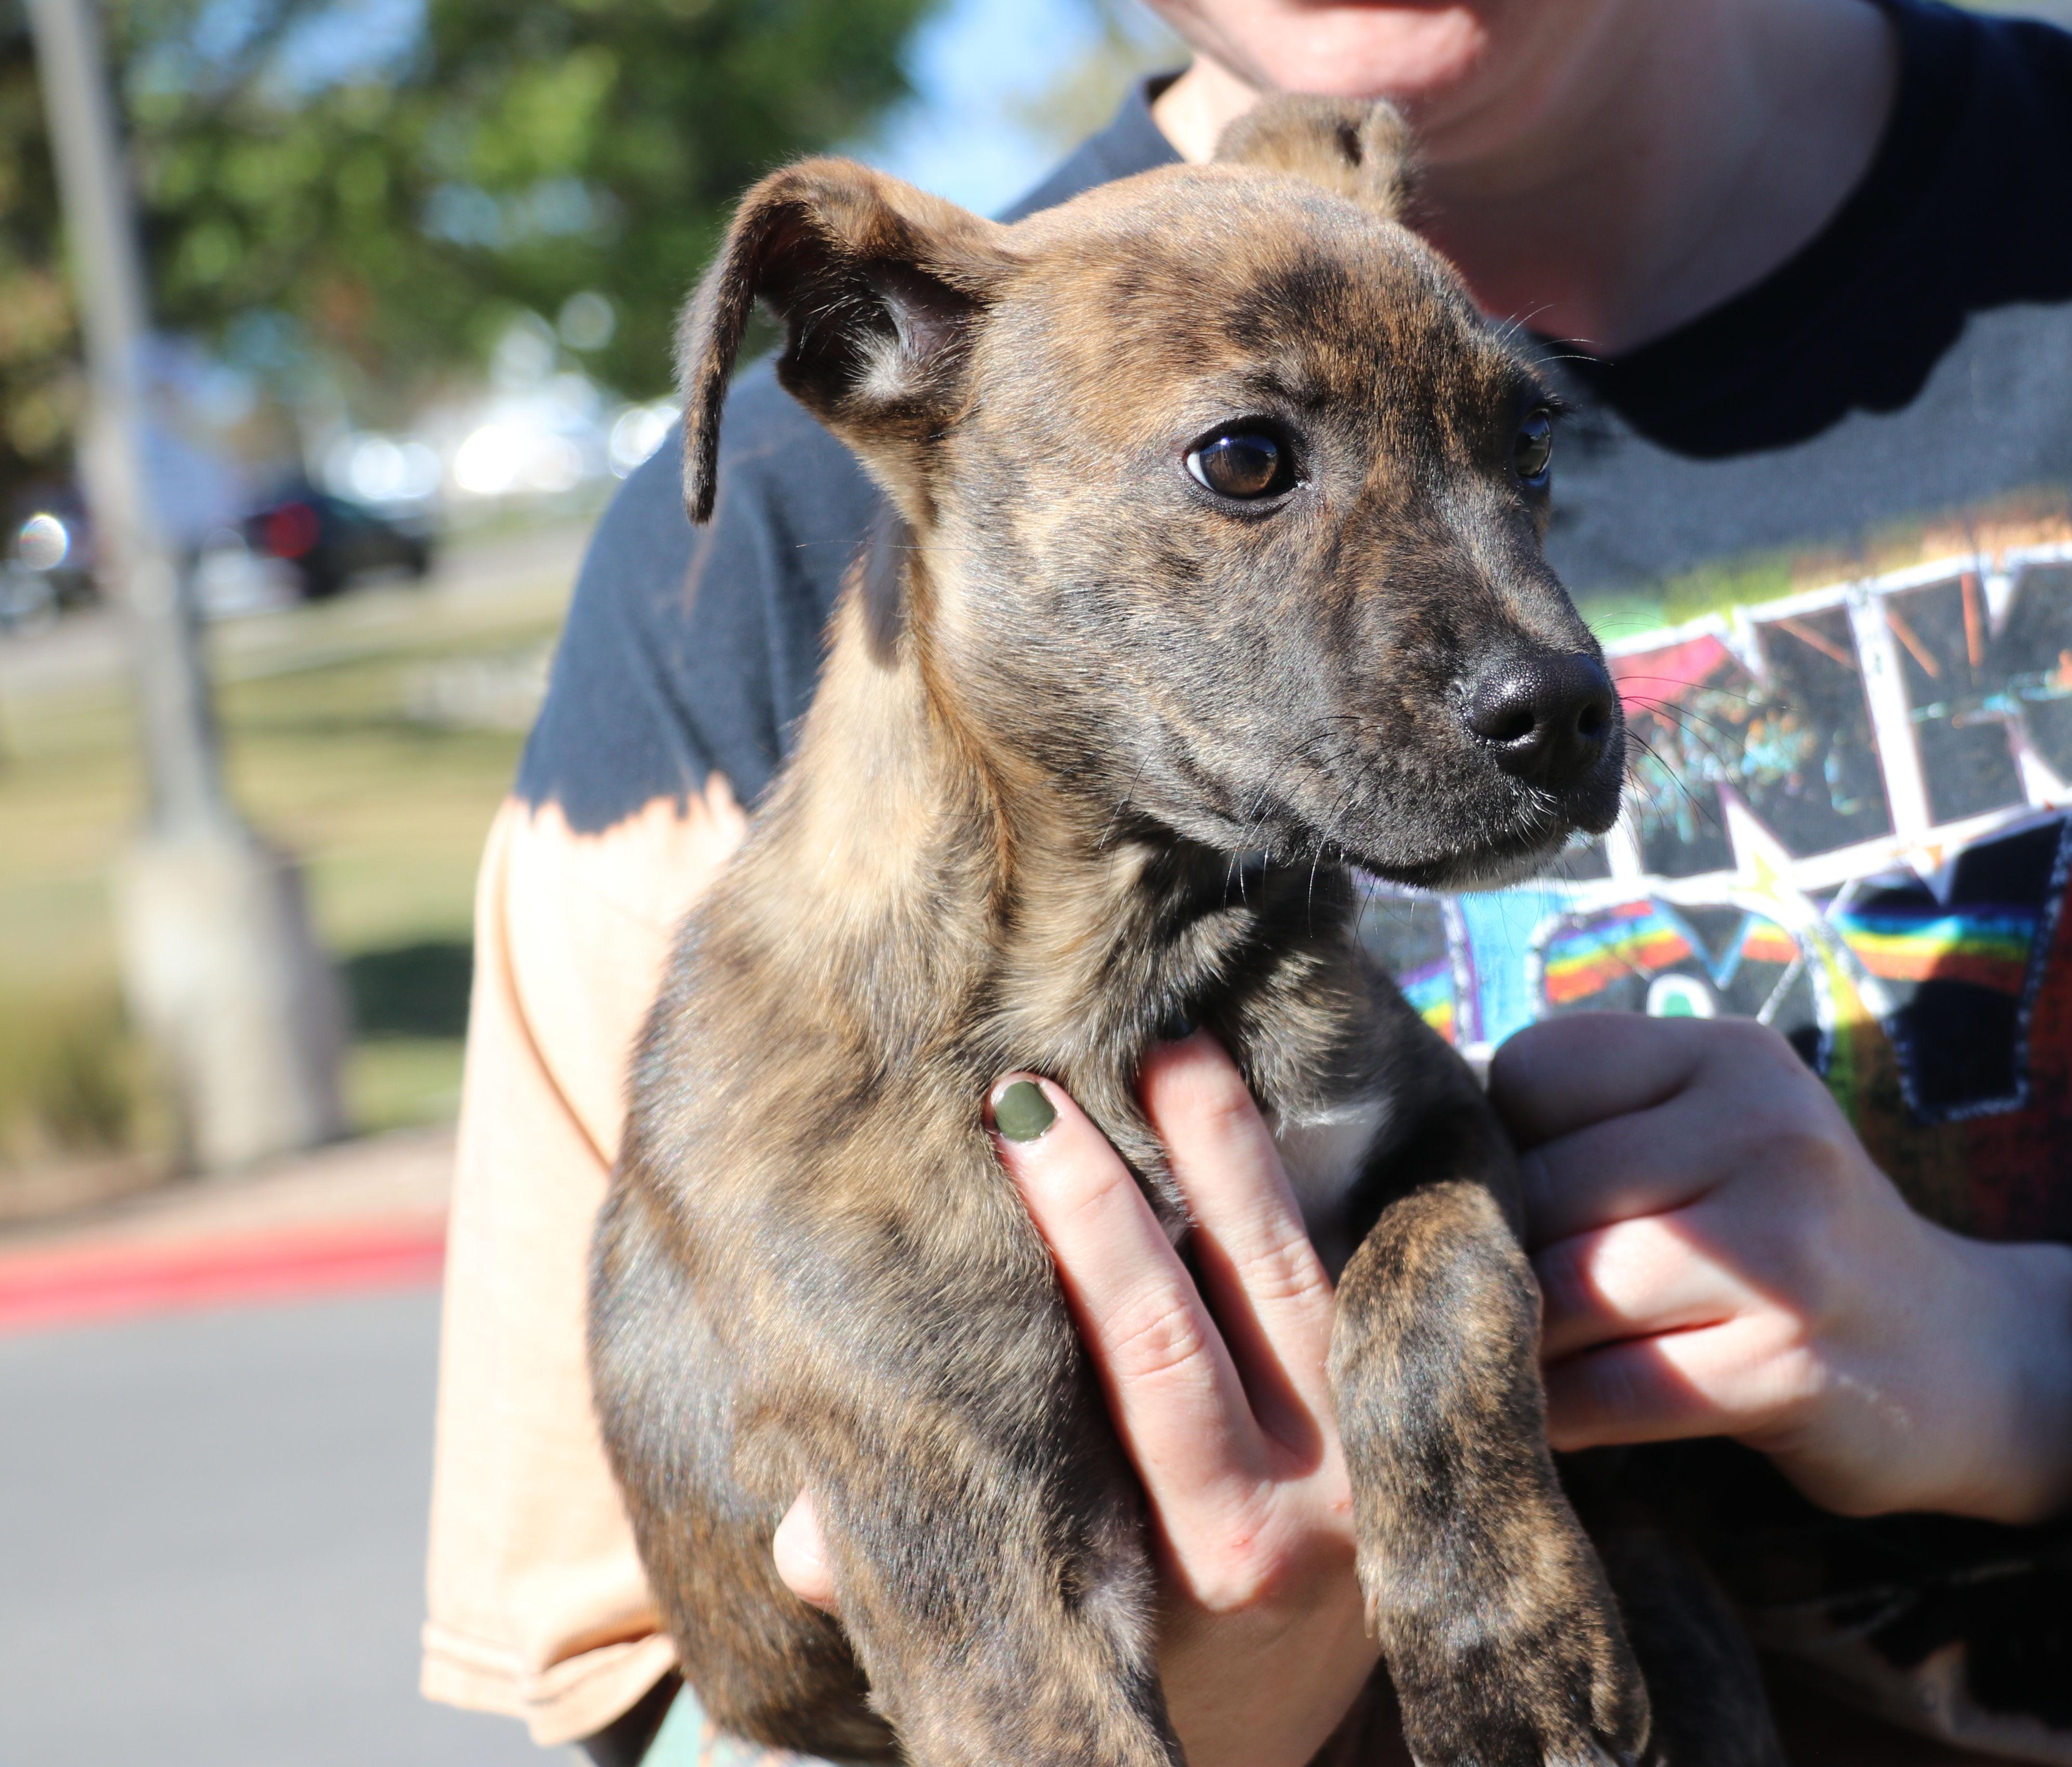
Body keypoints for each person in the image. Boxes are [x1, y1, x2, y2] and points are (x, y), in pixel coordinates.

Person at [420, 2, 2072, 1762]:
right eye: (1250, 465)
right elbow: (658, 1689)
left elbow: (1431, 1152)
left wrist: (2013, 1354)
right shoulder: (734, 574)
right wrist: (1220, 1689)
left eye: (1516, 454)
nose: (1541, 657)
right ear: (854, 356)